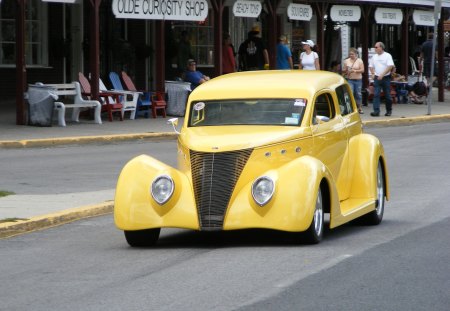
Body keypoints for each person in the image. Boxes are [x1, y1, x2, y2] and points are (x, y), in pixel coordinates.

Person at [369, 42, 394, 117]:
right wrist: (373, 73)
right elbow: (371, 66)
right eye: (375, 47)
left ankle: (388, 110)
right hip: (377, 77)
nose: (375, 49)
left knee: (387, 95)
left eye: (376, 47)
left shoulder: (387, 55)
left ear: (381, 48)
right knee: (376, 94)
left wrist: (382, 75)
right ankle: (376, 111)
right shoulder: (374, 57)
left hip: (386, 77)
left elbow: (390, 66)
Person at [342, 48, 365, 114]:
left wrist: (354, 71)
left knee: (358, 94)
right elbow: (343, 70)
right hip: (350, 79)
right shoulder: (346, 61)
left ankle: (360, 108)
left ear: (356, 54)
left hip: (358, 79)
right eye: (350, 54)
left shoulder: (359, 61)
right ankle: (351, 108)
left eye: (352, 54)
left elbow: (362, 70)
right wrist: (347, 71)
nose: (351, 55)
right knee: (350, 93)